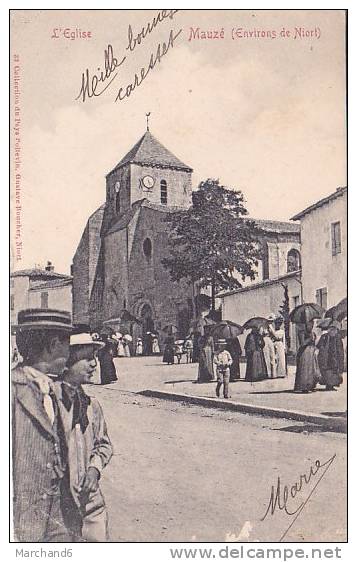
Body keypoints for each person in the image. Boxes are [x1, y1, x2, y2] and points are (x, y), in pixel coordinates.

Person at [12, 308, 74, 542]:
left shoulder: (53, 390)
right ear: (53, 344)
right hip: (24, 521)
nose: (69, 355)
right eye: (67, 346)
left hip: (58, 514)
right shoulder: (11, 390)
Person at [54, 332, 113, 542]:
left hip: (92, 503)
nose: (94, 364)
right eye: (87, 358)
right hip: (59, 506)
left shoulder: (92, 405)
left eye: (95, 357)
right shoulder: (48, 403)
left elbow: (103, 444)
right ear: (67, 361)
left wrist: (94, 469)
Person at [317, 320, 344, 391]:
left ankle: (331, 385)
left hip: (335, 357)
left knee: (334, 371)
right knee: (327, 371)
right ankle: (328, 385)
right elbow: (319, 346)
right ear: (329, 329)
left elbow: (340, 349)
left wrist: (340, 357)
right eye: (331, 329)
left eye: (334, 329)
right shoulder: (324, 336)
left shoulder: (338, 338)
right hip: (326, 357)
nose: (333, 331)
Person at [294, 320, 320, 393]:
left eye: (312, 325)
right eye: (309, 325)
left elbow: (314, 343)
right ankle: (304, 387)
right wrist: (309, 339)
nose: (311, 326)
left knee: (312, 369)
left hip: (312, 352)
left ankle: (311, 385)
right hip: (304, 352)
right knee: (305, 370)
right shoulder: (302, 332)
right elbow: (302, 344)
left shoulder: (313, 333)